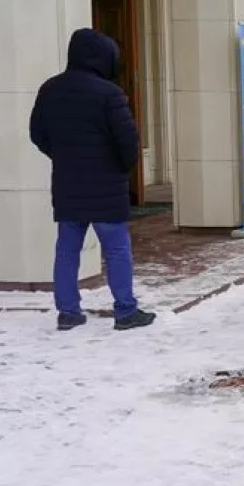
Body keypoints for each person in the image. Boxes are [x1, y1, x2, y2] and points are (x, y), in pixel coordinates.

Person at [28, 27, 156, 331]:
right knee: (116, 249)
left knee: (67, 248)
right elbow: (127, 141)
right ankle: (126, 311)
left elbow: (37, 134)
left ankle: (68, 312)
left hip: (67, 183)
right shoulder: (109, 93)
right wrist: (122, 168)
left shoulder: (50, 89)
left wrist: (63, 156)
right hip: (106, 186)